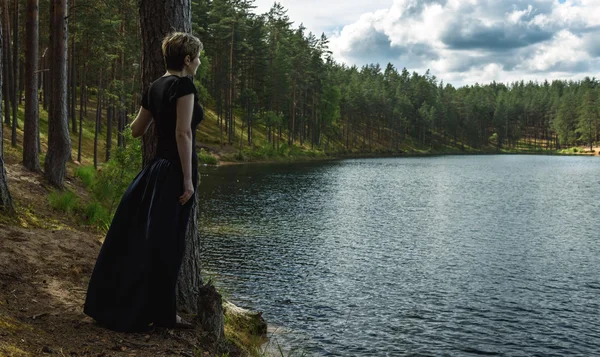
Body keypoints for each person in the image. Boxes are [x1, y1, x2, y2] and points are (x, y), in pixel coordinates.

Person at [84, 32, 204, 332]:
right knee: (169, 245)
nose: (199, 62)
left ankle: (131, 305)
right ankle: (164, 315)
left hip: (154, 172)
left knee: (144, 241)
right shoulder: (184, 85)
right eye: (198, 57)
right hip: (175, 173)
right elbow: (183, 133)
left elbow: (136, 129)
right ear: (187, 60)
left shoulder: (155, 86)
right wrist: (188, 180)